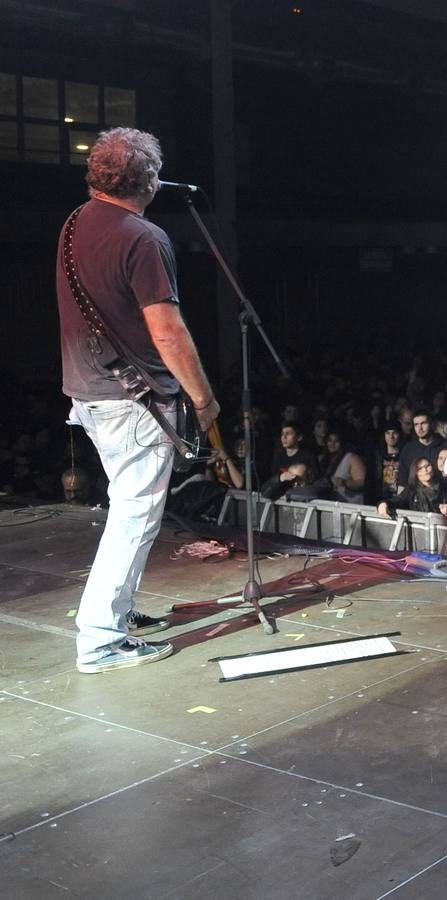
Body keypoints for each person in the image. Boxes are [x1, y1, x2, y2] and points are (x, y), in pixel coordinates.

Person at [57, 128, 220, 673]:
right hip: (134, 402)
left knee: (129, 511)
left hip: (90, 392)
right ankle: (101, 640)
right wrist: (202, 398)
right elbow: (167, 332)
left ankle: (119, 614)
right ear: (149, 180)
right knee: (134, 518)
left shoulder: (74, 222)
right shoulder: (144, 237)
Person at [379, 456, 447, 516]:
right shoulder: (412, 490)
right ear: (415, 473)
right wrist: (384, 503)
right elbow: (398, 500)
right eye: (420, 469)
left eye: (427, 466)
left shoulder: (445, 488)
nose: (425, 470)